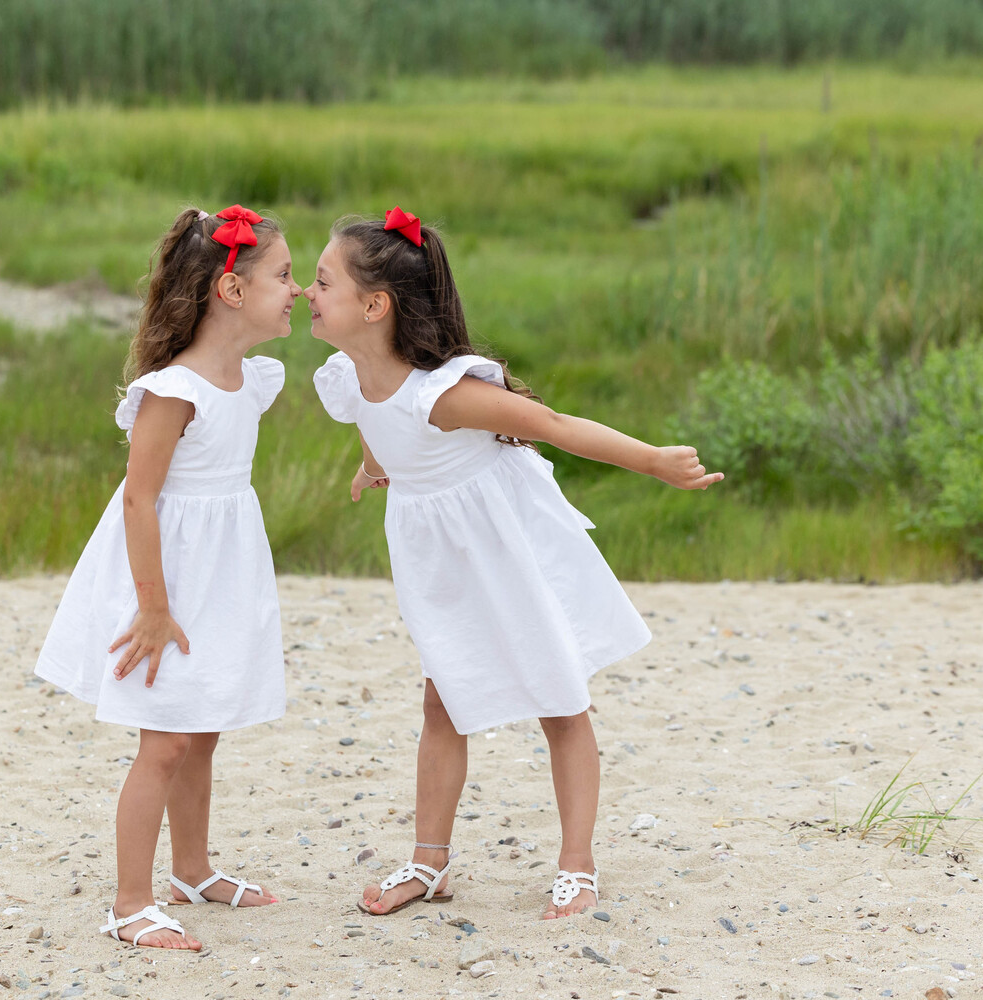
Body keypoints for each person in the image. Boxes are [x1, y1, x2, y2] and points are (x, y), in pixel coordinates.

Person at [308, 206, 722, 919]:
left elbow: (555, 427)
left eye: (320, 281)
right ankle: (428, 863)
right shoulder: (350, 376)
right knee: (442, 695)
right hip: (436, 553)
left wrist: (653, 461)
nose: (306, 293)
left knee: (558, 699)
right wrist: (374, 467)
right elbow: (373, 424)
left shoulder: (448, 394)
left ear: (374, 306)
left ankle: (577, 864)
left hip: (503, 547)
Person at [36, 205, 300, 949]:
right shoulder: (174, 389)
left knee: (202, 726)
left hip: (222, 569)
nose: (298, 291)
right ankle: (128, 903)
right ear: (232, 290)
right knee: (164, 743)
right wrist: (152, 609)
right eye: (283, 276)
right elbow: (138, 498)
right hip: (164, 575)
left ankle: (193, 870)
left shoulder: (250, 378)